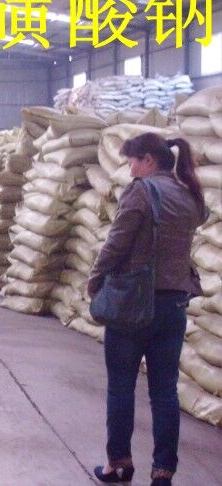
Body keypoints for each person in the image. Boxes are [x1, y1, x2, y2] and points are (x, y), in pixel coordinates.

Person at [87, 133, 208, 486]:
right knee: (165, 392)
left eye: (132, 162)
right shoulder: (189, 193)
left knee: (121, 388)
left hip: (133, 306)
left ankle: (118, 464)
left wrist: (95, 281)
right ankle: (163, 471)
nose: (130, 170)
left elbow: (116, 244)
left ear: (149, 161)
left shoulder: (141, 191)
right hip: (174, 306)